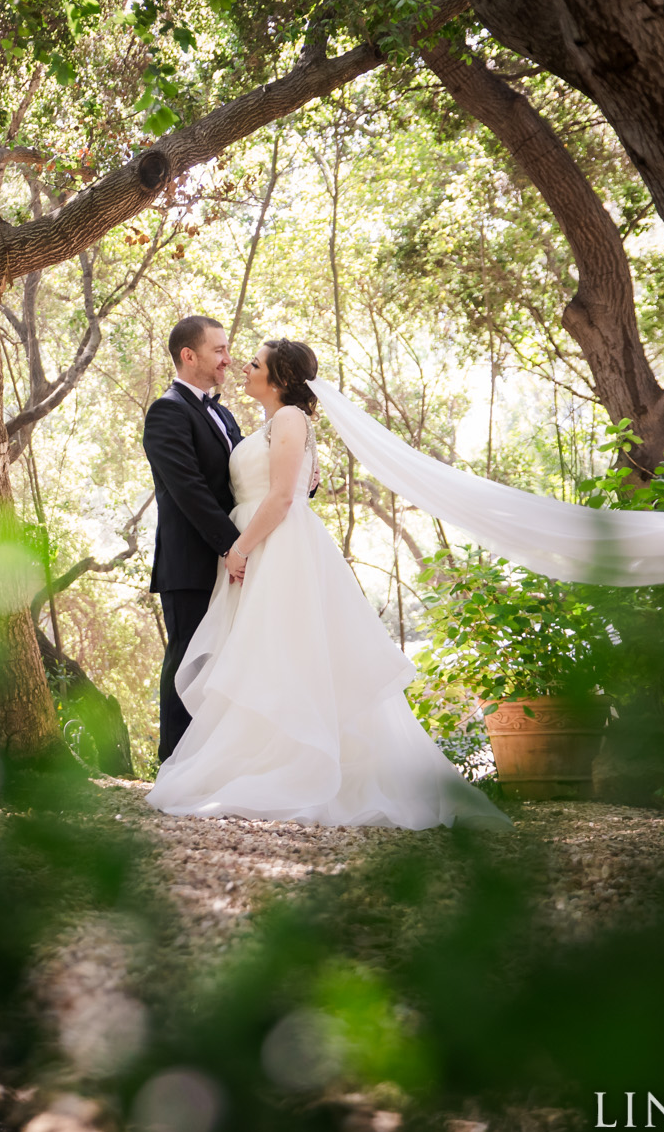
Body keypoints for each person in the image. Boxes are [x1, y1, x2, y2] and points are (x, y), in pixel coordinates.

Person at [148, 338, 510, 830]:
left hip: (274, 546)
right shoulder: (257, 421)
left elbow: (280, 498)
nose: (242, 366)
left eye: (254, 362)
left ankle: (300, 766)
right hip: (259, 548)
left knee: (288, 652)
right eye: (234, 354)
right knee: (264, 656)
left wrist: (239, 546)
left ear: (277, 379)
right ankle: (259, 758)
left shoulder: (289, 419)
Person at [141, 316, 245, 764]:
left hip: (231, 560)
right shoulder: (166, 412)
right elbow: (188, 489)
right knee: (187, 663)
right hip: (192, 564)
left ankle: (214, 766)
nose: (228, 358)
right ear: (189, 355)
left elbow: (245, 475)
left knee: (226, 664)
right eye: (219, 350)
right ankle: (174, 767)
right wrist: (232, 546)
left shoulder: (222, 412)